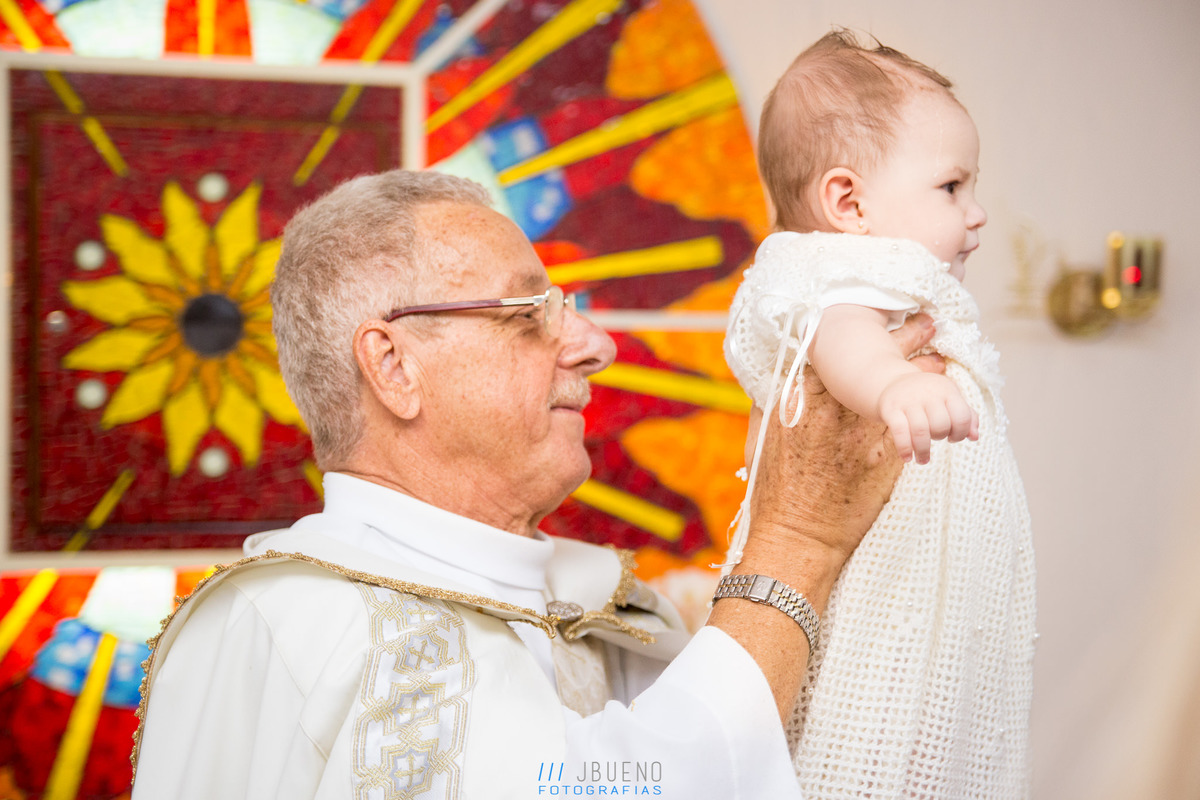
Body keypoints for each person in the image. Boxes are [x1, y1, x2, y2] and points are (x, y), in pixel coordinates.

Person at [131, 168, 941, 799]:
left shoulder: (602, 605)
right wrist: (795, 542)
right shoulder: (297, 625)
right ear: (394, 366)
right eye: (529, 313)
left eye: (567, 307)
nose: (593, 344)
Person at [723, 30, 1036, 799]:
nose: (978, 212)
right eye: (951, 187)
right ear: (849, 203)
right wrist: (892, 387)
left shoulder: (896, 278)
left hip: (947, 576)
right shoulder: (837, 276)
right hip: (887, 576)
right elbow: (844, 339)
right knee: (873, 719)